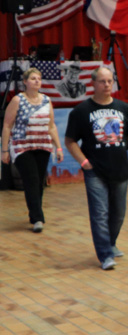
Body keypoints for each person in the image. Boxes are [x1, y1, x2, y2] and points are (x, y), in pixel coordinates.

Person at [64, 66, 128, 270]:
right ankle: (105, 255)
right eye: (102, 81)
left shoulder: (123, 108)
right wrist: (84, 162)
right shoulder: (81, 111)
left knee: (118, 213)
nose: (107, 85)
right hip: (95, 172)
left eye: (110, 81)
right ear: (93, 83)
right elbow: (70, 141)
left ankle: (111, 243)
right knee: (99, 213)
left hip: (120, 170)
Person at [2, 67, 64, 232]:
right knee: (31, 179)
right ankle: (38, 218)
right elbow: (7, 126)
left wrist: (58, 147)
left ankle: (34, 214)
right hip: (22, 146)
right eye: (33, 78)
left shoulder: (46, 100)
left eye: (39, 78)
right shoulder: (17, 100)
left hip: (43, 144)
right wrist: (4, 150)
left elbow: (51, 126)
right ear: (25, 82)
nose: (37, 81)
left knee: (38, 183)